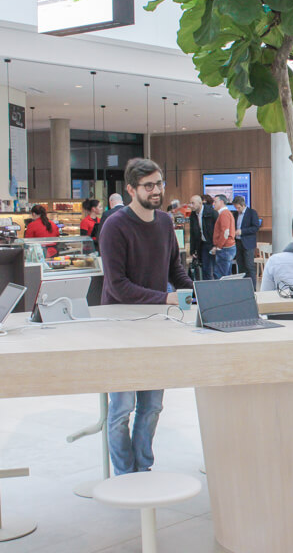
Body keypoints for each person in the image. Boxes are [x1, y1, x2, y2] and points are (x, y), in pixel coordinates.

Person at [98, 157, 193, 476]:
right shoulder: (114, 225)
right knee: (122, 407)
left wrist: (197, 290)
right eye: (148, 185)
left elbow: (174, 269)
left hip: (155, 326)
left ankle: (143, 468)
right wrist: (166, 297)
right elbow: (118, 286)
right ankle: (126, 473)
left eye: (160, 183)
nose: (156, 190)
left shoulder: (166, 222)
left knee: (152, 406)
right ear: (130, 189)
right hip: (119, 327)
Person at [232, 196, 260, 288]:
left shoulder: (252, 213)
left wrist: (242, 231)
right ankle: (243, 287)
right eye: (236, 207)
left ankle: (253, 288)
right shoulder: (235, 214)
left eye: (238, 207)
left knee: (249, 266)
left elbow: (255, 227)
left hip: (248, 243)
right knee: (240, 266)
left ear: (243, 205)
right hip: (238, 242)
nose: (237, 209)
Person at [188, 194, 218, 282]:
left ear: (200, 203)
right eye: (190, 203)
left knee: (214, 270)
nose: (191, 205)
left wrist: (216, 245)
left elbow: (219, 230)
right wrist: (193, 250)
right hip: (203, 244)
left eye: (193, 203)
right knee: (205, 269)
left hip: (213, 244)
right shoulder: (193, 215)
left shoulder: (212, 213)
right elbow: (193, 233)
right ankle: (207, 291)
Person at [211, 194, 236, 279]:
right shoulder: (226, 213)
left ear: (221, 202)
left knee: (220, 275)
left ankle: (221, 292)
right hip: (227, 247)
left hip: (225, 248)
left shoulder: (224, 214)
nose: (213, 204)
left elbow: (225, 232)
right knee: (226, 274)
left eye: (215, 201)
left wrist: (219, 247)